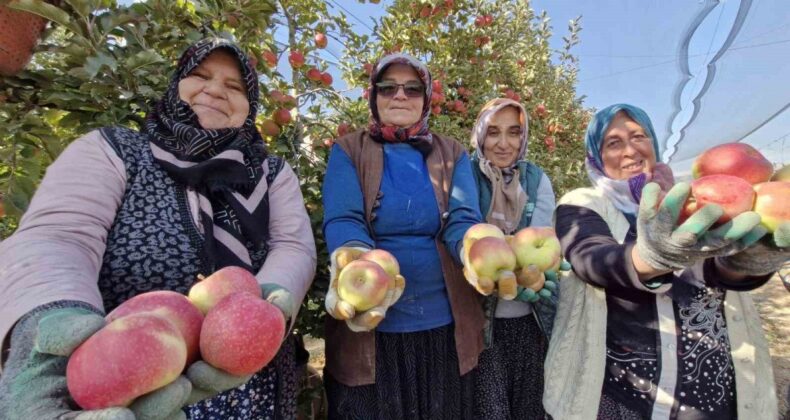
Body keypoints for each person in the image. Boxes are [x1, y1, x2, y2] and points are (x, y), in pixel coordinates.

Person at [0, 38, 316, 419]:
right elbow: (59, 237)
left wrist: (267, 308)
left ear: (250, 107)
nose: (215, 90)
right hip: (121, 377)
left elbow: (293, 246)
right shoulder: (114, 149)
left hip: (249, 378)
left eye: (235, 87)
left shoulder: (271, 173)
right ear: (176, 84)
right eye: (200, 76)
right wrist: (45, 317)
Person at [544, 103, 788, 419]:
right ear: (597, 156)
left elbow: (719, 271)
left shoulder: (692, 200)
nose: (630, 150)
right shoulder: (582, 204)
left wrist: (751, 261)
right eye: (614, 143)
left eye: (638, 136)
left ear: (653, 143)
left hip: (709, 396)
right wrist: (651, 257)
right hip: (624, 398)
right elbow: (592, 259)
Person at [321, 53, 485, 419]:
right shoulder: (349, 150)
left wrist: (477, 249)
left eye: (412, 89)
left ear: (425, 98)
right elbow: (344, 218)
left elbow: (462, 219)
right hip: (373, 327)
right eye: (388, 87)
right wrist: (354, 260)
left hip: (442, 324)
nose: (400, 96)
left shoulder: (451, 153)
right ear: (373, 95)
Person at [467, 97, 558, 419]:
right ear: (479, 135)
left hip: (529, 320)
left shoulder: (536, 180)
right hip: (480, 324)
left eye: (514, 132)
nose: (503, 143)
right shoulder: (465, 176)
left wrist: (526, 268)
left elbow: (542, 240)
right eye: (493, 132)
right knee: (490, 410)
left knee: (529, 409)